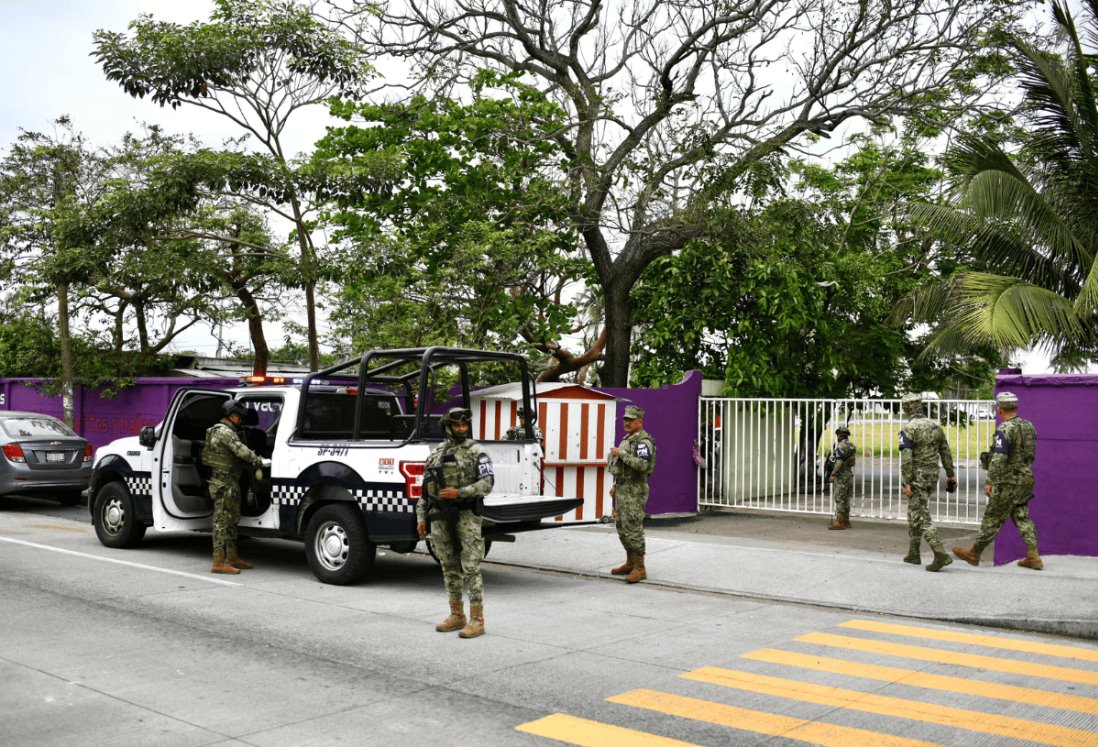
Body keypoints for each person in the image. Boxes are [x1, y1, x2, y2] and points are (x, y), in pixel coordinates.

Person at [416, 407, 495, 638]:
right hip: (440, 517)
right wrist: (421, 517)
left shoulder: (476, 451)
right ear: (447, 427)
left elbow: (487, 484)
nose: (462, 428)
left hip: (466, 516)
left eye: (464, 424)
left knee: (470, 568)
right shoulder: (436, 453)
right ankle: (456, 615)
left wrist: (460, 492)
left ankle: (477, 620)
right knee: (448, 567)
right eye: (457, 425)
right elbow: (425, 490)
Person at [953, 391, 1042, 570]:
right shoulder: (1029, 427)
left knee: (993, 516)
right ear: (1016, 408)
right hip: (1025, 478)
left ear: (1000, 411)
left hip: (1007, 481)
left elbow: (999, 457)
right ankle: (1033, 556)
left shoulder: (1005, 429)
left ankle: (974, 553)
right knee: (1021, 515)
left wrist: (990, 481)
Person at [202, 399, 264, 575]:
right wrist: (257, 461)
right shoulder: (224, 432)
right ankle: (218, 562)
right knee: (221, 522)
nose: (240, 420)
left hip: (229, 483)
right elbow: (241, 450)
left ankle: (232, 557)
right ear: (232, 416)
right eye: (239, 417)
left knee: (231, 521)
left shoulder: (218, 431)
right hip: (223, 484)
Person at [898, 393, 958, 572]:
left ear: (906, 409)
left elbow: (907, 459)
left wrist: (905, 482)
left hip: (917, 477)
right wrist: (950, 475)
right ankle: (913, 553)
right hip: (932, 476)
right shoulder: (935, 426)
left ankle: (940, 553)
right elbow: (945, 452)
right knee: (914, 511)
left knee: (921, 514)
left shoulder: (908, 429)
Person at [607, 404, 657, 583]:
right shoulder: (627, 439)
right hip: (622, 488)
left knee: (633, 528)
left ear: (640, 421)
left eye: (630, 419)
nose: (626, 423)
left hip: (635, 490)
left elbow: (642, 465)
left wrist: (621, 454)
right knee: (622, 527)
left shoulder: (644, 442)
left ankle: (640, 568)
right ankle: (630, 562)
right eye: (625, 419)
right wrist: (615, 485)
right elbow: (622, 468)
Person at [827, 425, 857, 530]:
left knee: (839, 498)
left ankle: (839, 522)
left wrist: (833, 474)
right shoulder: (852, 446)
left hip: (841, 476)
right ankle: (846, 521)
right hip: (849, 475)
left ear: (840, 435)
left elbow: (839, 462)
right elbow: (852, 462)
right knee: (846, 499)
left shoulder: (840, 446)